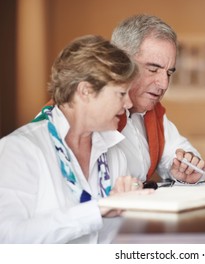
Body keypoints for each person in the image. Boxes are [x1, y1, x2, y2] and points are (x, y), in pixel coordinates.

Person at [0, 35, 152, 243]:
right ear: (85, 91)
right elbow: (7, 238)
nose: (127, 104)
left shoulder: (116, 153)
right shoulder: (19, 150)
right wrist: (97, 211)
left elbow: (114, 241)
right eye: (121, 94)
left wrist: (127, 210)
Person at [111, 14, 205, 184]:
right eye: (153, 69)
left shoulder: (152, 112)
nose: (164, 84)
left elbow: (177, 150)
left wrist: (185, 165)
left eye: (169, 72)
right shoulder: (90, 113)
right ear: (121, 62)